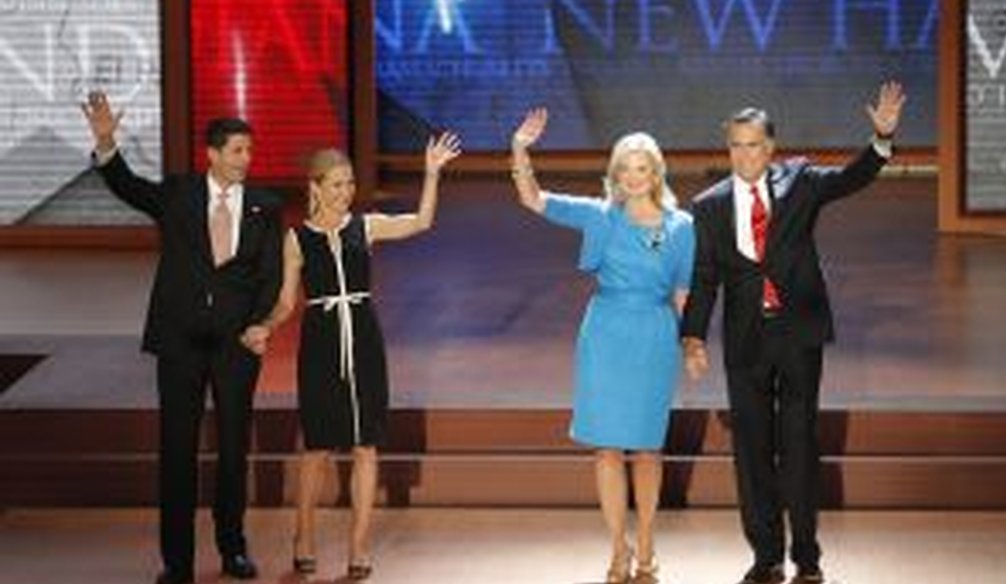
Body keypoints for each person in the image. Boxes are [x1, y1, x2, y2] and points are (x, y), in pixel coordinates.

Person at [681, 82, 906, 584]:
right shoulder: (710, 205)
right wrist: (692, 336)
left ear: (771, 147)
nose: (745, 154)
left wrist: (882, 139)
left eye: (754, 144)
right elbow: (704, 276)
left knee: (800, 444)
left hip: (798, 335)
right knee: (752, 450)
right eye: (736, 144)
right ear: (728, 147)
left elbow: (853, 178)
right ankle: (766, 557)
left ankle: (807, 557)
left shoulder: (800, 182)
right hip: (744, 342)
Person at [81, 92, 283, 584]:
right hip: (179, 344)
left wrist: (260, 324)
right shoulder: (177, 195)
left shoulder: (265, 206)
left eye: (249, 151)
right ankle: (177, 562)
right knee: (177, 451)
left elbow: (270, 274)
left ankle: (232, 548)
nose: (246, 160)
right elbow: (126, 185)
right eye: (237, 151)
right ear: (211, 154)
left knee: (234, 449)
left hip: (236, 346)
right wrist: (107, 141)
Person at [243, 135, 461, 580]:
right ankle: (302, 536)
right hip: (321, 342)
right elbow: (287, 302)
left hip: (363, 338)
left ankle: (359, 546)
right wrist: (264, 326)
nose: (345, 192)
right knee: (317, 447)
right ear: (316, 187)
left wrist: (432, 173)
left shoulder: (366, 226)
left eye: (349, 184)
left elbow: (420, 222)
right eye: (337, 184)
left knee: (366, 445)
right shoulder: (297, 238)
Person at [510, 108, 695, 583]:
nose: (634, 177)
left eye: (643, 168)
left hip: (654, 336)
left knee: (649, 450)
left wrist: (692, 343)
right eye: (625, 169)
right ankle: (618, 547)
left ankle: (648, 542)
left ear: (656, 173)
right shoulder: (599, 215)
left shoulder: (682, 226)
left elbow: (682, 293)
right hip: (606, 334)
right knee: (607, 449)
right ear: (615, 174)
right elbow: (534, 200)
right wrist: (519, 150)